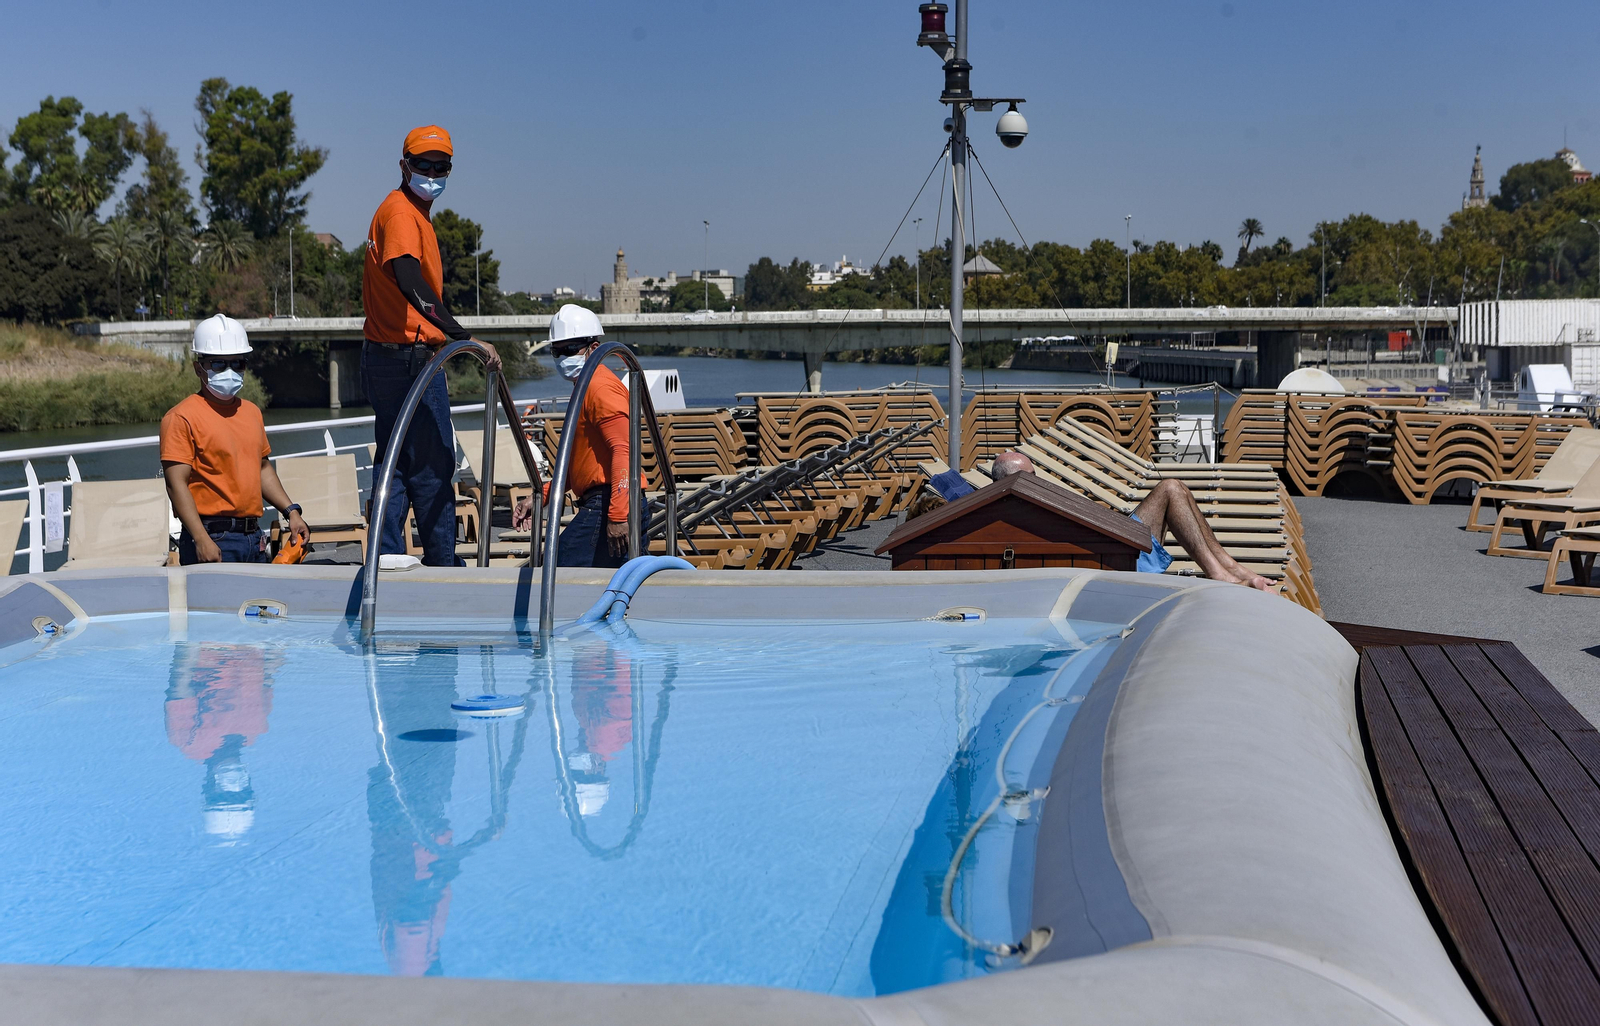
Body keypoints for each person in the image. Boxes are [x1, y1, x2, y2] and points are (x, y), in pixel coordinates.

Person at [361, 124, 500, 566]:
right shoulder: (403, 214)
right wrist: (461, 337)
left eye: (442, 166)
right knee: (434, 466)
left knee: (396, 461)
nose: (433, 173)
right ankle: (444, 566)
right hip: (411, 359)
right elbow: (408, 279)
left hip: (383, 357)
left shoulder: (404, 211)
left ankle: (386, 562)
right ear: (405, 165)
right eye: (424, 165)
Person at [989, 449, 1274, 591]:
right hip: (1115, 559)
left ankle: (1230, 566)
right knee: (1170, 490)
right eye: (1029, 478)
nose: (1035, 481)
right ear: (1010, 482)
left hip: (1112, 540)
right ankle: (1219, 574)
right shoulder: (1014, 518)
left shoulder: (1029, 505)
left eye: (1035, 475)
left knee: (1176, 488)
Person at [161, 314, 309, 564]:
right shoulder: (180, 418)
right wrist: (200, 538)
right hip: (211, 538)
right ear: (199, 368)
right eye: (218, 364)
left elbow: (261, 468)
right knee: (212, 605)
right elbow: (176, 485)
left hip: (254, 537)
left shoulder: (251, 412)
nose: (229, 371)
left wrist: (291, 511)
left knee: (258, 603)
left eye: (238, 363)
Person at [511, 305, 641, 567]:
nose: (562, 357)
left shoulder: (601, 387)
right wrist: (540, 498)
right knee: (602, 587)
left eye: (571, 349)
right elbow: (577, 468)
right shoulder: (585, 386)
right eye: (556, 351)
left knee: (557, 571)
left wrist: (617, 515)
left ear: (594, 348)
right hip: (604, 502)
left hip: (608, 504)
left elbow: (623, 452)